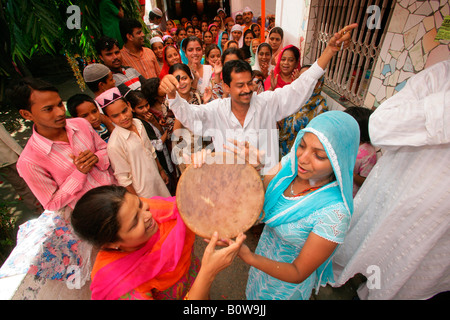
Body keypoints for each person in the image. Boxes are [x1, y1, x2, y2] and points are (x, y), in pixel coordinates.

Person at [160, 23, 357, 174]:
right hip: (232, 184)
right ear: (226, 86)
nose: (247, 90)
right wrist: (172, 95)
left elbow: (299, 87)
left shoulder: (267, 103)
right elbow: (189, 115)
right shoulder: (215, 109)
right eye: (239, 85)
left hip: (266, 182)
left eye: (249, 83)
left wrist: (329, 51)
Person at [332, 59, 450, 300]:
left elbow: (361, 177)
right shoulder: (440, 77)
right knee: (366, 257)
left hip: (436, 237)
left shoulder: (367, 154)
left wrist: (346, 172)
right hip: (390, 210)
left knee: (405, 281)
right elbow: (382, 125)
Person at [238, 111, 359, 300]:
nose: (302, 158)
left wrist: (249, 257)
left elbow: (298, 271)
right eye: (301, 145)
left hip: (284, 288)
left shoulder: (335, 214)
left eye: (318, 156)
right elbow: (262, 195)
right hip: (261, 271)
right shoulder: (290, 167)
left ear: (339, 161)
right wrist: (254, 168)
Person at [71, 185, 246, 300]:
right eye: (134, 222)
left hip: (195, 281)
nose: (148, 215)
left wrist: (198, 171)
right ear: (111, 244)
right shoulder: (119, 287)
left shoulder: (147, 211)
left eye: (140, 204)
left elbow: (188, 207)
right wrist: (207, 273)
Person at [8, 78, 116, 212]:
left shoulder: (81, 124)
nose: (60, 112)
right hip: (97, 215)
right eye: (48, 109)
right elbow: (52, 204)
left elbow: (106, 149)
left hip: (119, 193)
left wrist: (97, 158)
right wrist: (79, 173)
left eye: (60, 104)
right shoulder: (29, 161)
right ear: (26, 114)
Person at [97, 87, 171, 199]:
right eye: (116, 116)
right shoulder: (114, 145)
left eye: (124, 111)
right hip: (143, 193)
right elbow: (124, 179)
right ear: (108, 118)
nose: (123, 117)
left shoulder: (138, 123)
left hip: (157, 180)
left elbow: (150, 150)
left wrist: (161, 170)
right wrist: (137, 202)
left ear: (129, 106)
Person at [127, 90, 178, 195]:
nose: (145, 109)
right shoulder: (139, 124)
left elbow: (161, 132)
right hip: (158, 160)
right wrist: (169, 130)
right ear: (132, 108)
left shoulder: (150, 116)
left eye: (146, 105)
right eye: (140, 107)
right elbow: (158, 145)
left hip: (166, 155)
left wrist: (154, 122)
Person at [278, 65, 328, 157]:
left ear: (318, 83)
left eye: (308, 79)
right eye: (301, 78)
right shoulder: (291, 97)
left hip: (302, 153)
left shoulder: (320, 104)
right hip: (283, 148)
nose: (304, 82)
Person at [0, 123, 43, 215]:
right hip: (6, 162)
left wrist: (21, 154)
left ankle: (41, 205)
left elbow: (7, 139)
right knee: (22, 184)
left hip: (13, 157)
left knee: (30, 181)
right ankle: (38, 206)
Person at [344, 106, 378, 197]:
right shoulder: (344, 141)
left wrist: (350, 174)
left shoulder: (368, 153)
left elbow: (365, 181)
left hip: (347, 194)